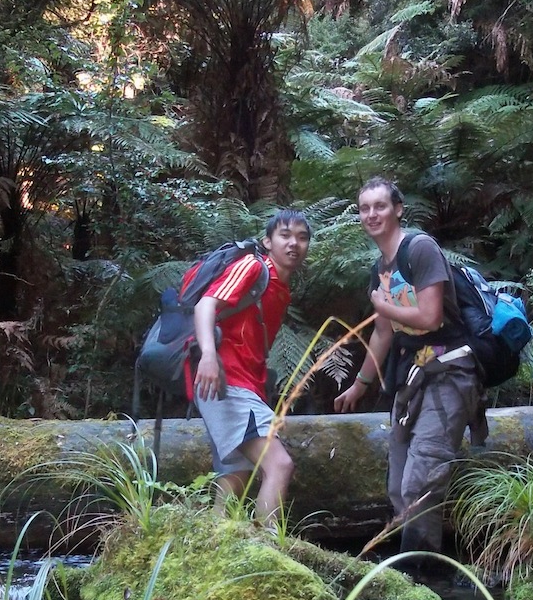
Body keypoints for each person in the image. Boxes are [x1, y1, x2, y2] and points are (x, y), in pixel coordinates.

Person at [333, 177, 481, 560]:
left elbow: (430, 317)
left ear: (398, 209)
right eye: (364, 208)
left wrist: (382, 306)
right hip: (411, 377)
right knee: (398, 488)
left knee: (420, 484)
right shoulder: (379, 269)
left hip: (449, 372)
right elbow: (383, 333)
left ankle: (420, 574)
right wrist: (359, 385)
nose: (372, 214)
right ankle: (418, 567)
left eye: (380, 206)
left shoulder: (420, 248)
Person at [190, 210, 312, 522]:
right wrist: (208, 355)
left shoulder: (280, 288)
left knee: (235, 477)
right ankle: (266, 544)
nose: (294, 243)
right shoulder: (253, 267)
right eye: (285, 235)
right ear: (267, 241)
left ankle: (216, 542)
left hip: (242, 384)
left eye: (302, 237)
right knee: (279, 465)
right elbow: (205, 304)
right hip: (225, 381)